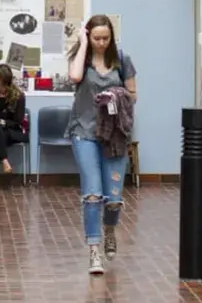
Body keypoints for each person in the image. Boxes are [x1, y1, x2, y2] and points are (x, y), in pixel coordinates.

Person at [65, 14, 137, 274]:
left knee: (114, 199)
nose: (101, 43)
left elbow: (133, 95)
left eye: (106, 38)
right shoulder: (82, 61)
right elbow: (74, 77)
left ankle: (109, 231)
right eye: (96, 38)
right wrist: (82, 42)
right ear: (89, 36)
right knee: (93, 194)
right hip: (84, 133)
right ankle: (94, 250)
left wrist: (116, 95)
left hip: (115, 135)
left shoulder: (122, 60)